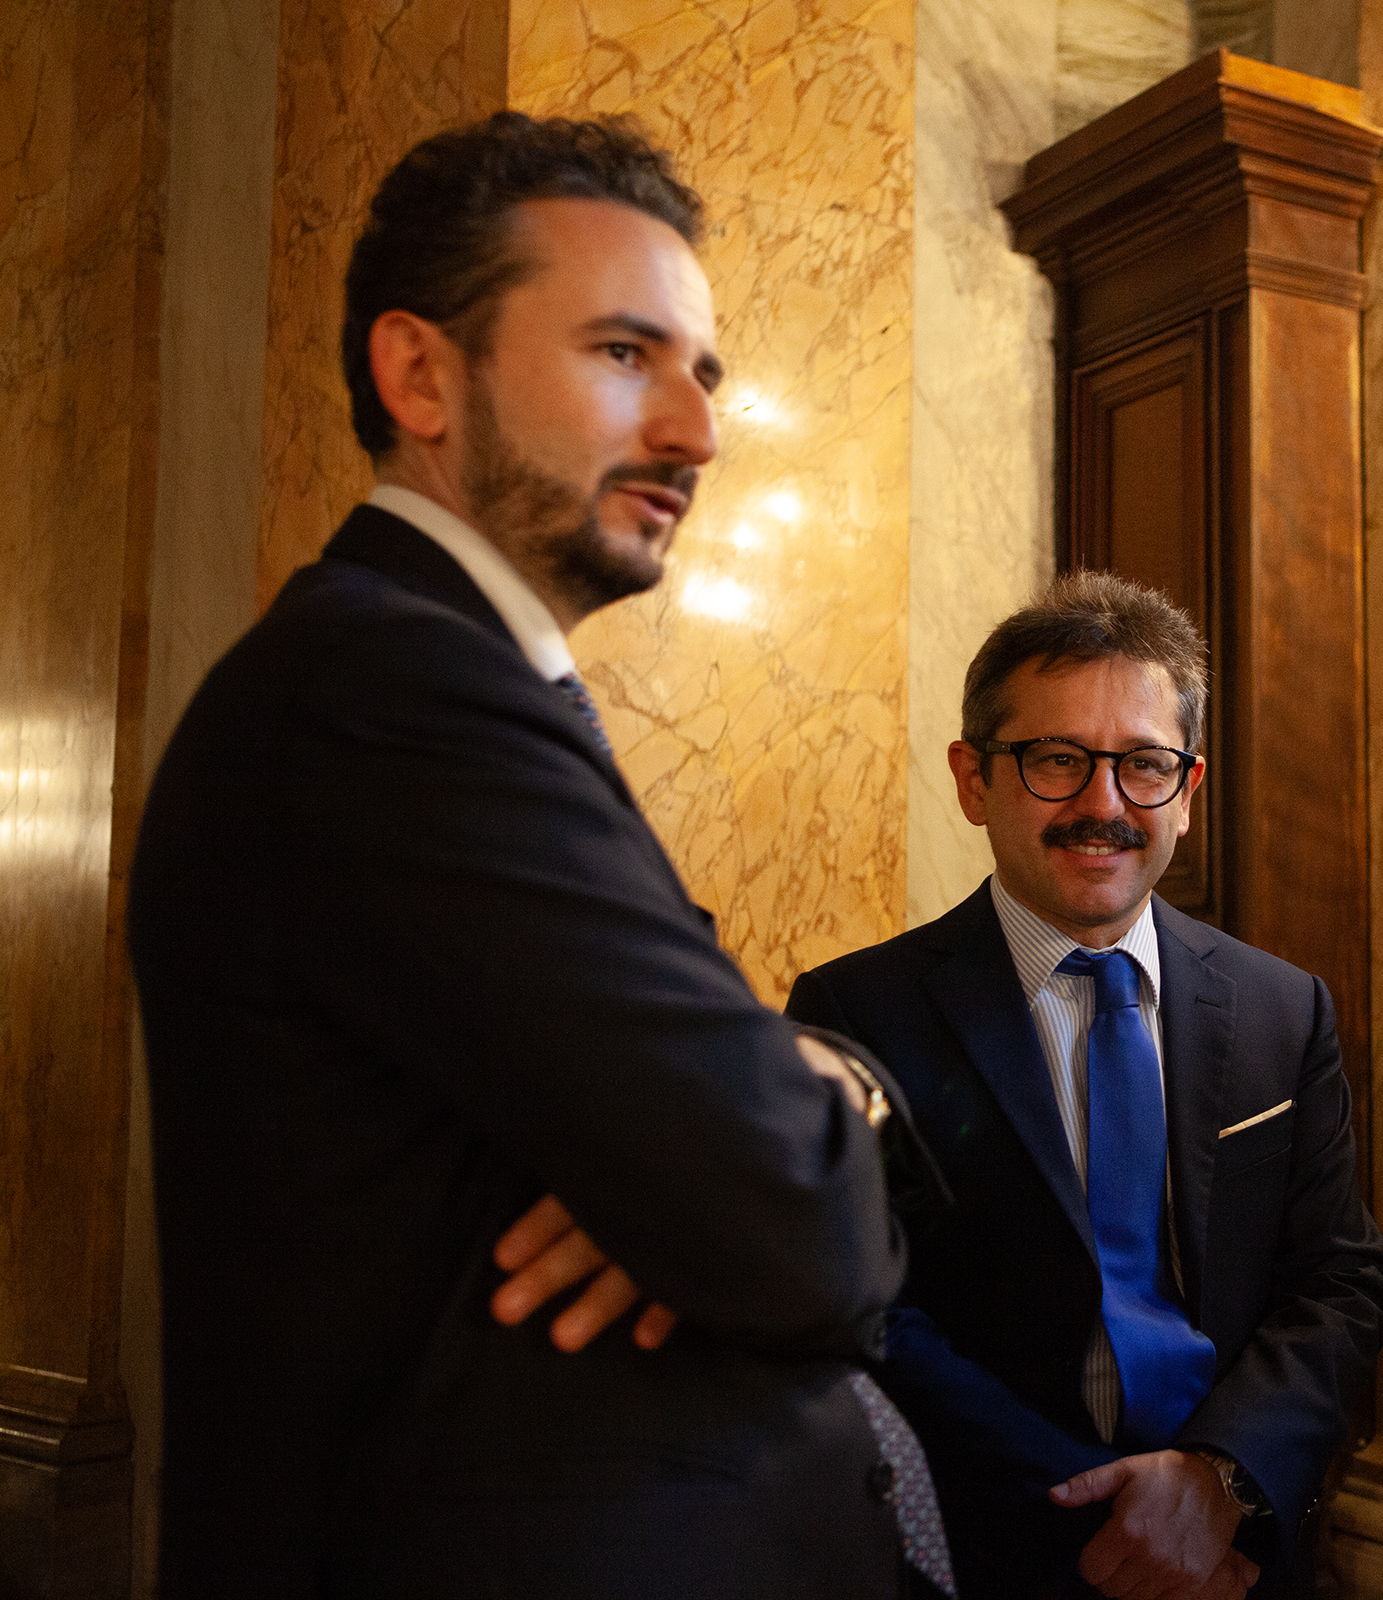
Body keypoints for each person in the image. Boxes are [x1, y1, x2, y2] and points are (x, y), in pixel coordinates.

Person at [130, 113, 926, 1597]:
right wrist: (740, 1166)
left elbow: (746, 1140)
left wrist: (797, 1095)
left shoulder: (448, 680)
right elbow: (801, 1233)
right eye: (625, 354)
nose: (695, 433)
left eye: (704, 375)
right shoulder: (391, 691)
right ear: (422, 376)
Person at [783, 571, 1383, 1599]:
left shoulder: (1283, 1010)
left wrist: (1217, 1481)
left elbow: (1344, 1281)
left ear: (1188, 793)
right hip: (990, 1552)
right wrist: (1111, 1512)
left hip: (1235, 1551)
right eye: (1057, 760)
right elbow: (866, 1305)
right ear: (974, 779)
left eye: (1145, 765)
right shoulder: (856, 1012)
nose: (1104, 805)